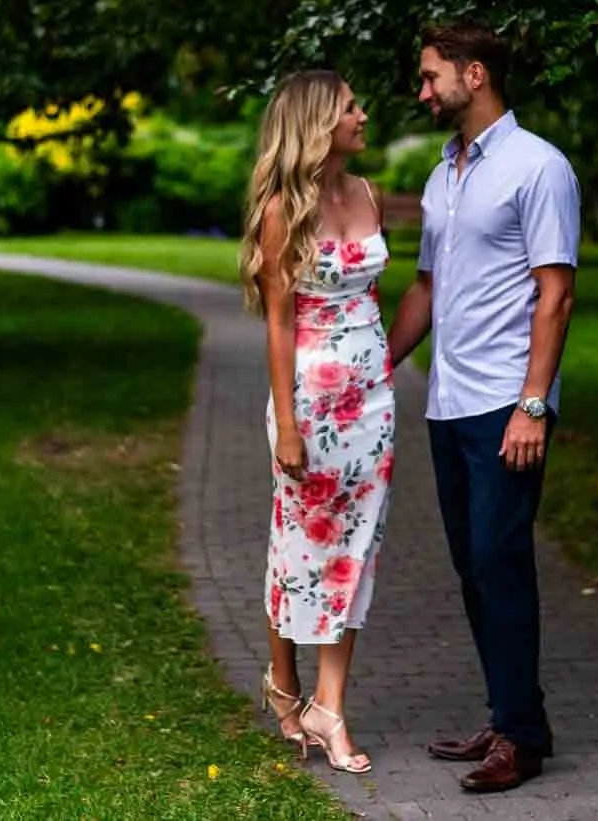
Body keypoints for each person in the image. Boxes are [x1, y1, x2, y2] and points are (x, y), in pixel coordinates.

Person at [386, 22, 580, 794]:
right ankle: (510, 716)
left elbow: (557, 293)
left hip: (508, 399)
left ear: (475, 74)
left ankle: (521, 739)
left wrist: (533, 404)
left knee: (501, 560)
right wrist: (376, 366)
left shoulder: (540, 167)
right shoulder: (445, 173)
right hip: (449, 400)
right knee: (473, 565)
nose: (422, 90)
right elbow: (426, 289)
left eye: (432, 76)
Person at [239, 69, 395, 775]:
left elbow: (373, 298)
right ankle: (283, 680)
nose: (364, 115)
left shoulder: (368, 195)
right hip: (308, 400)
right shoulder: (282, 210)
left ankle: (331, 704)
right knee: (301, 545)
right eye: (350, 107)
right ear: (318, 123)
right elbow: (278, 321)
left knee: (355, 549)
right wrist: (291, 424)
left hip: (371, 402)